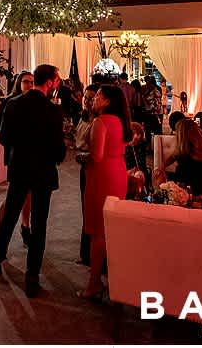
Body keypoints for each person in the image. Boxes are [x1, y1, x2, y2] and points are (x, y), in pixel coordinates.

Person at [0, 64, 66, 298]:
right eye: (56, 80)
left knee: (11, 213)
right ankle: (32, 276)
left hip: (20, 167)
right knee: (39, 223)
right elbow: (59, 149)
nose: (57, 84)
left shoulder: (14, 104)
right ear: (49, 82)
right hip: (43, 171)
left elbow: (4, 138)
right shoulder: (53, 110)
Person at [79, 84, 132, 299]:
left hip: (102, 176)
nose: (94, 99)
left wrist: (81, 156)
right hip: (118, 172)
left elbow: (97, 155)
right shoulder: (120, 121)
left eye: (98, 96)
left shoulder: (101, 122)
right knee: (110, 227)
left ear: (108, 101)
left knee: (98, 231)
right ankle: (112, 278)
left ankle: (94, 283)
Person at [0, 71, 35, 248]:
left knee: (28, 194)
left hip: (29, 156)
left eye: (32, 82)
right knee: (12, 197)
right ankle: (1, 231)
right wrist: (13, 139)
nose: (29, 85)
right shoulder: (10, 102)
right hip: (14, 156)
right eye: (26, 81)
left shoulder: (34, 102)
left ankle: (25, 226)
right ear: (19, 83)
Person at [74, 83, 99, 265]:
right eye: (85, 97)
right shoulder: (82, 117)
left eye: (91, 98)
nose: (87, 101)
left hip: (93, 165)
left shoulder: (99, 121)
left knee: (92, 209)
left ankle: (92, 254)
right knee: (85, 208)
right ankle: (85, 253)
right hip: (83, 165)